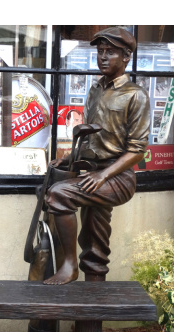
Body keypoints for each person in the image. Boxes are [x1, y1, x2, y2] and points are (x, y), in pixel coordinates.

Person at [43, 27, 150, 285]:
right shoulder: (95, 90)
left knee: (59, 194)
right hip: (94, 175)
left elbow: (137, 150)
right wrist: (69, 159)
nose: (102, 57)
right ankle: (89, 314)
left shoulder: (136, 95)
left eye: (110, 52)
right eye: (100, 52)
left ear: (126, 57)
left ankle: (69, 266)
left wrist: (103, 175)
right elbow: (91, 137)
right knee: (94, 245)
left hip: (117, 178)